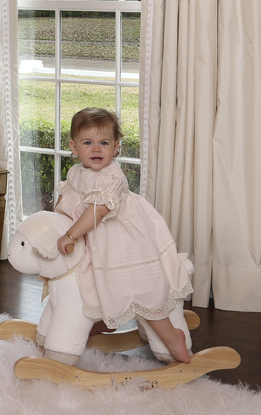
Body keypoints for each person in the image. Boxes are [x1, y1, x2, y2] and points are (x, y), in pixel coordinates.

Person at [54, 107, 194, 363]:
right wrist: (55, 223)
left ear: (116, 147)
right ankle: (103, 319)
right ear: (74, 147)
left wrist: (71, 235)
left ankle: (172, 335)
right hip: (93, 240)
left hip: (123, 240)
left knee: (138, 287)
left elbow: (98, 211)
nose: (96, 149)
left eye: (104, 143)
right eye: (88, 143)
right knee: (91, 281)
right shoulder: (76, 172)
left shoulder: (111, 177)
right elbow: (66, 201)